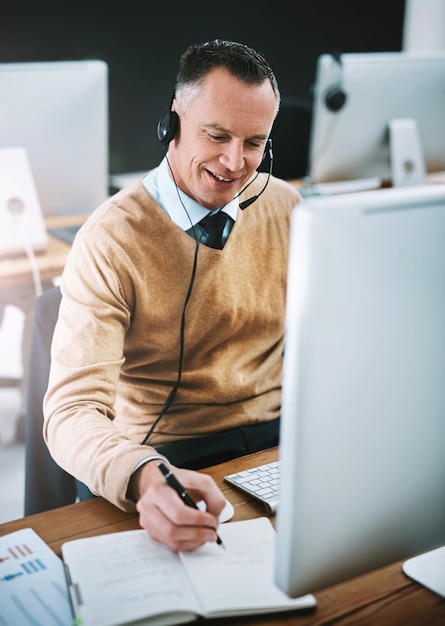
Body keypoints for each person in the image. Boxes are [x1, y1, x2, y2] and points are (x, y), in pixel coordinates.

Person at [43, 39, 301, 552]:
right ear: (173, 121)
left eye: (254, 143)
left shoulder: (285, 207)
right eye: (217, 135)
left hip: (281, 447)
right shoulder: (112, 239)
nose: (235, 162)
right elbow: (70, 411)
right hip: (171, 457)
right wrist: (143, 475)